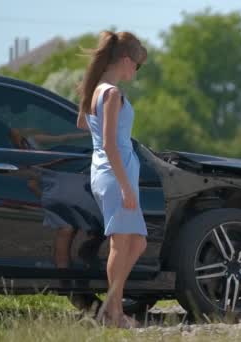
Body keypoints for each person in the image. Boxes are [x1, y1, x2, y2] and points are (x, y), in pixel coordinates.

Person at [76, 30, 148, 328]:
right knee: (122, 243)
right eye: (138, 65)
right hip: (114, 174)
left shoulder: (97, 89)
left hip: (110, 171)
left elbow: (83, 123)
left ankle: (111, 307)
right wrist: (125, 185)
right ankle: (114, 314)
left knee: (138, 242)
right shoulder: (111, 93)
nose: (136, 71)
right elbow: (108, 143)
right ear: (127, 60)